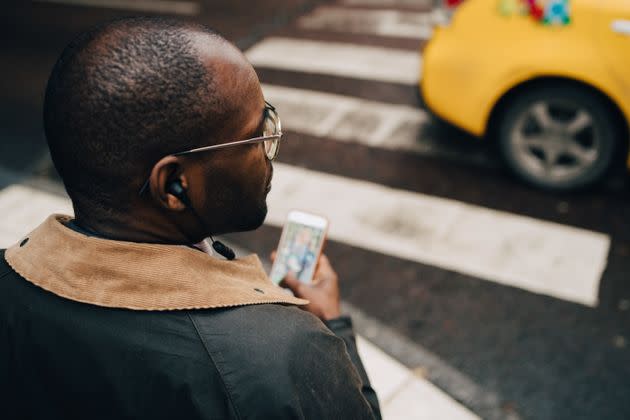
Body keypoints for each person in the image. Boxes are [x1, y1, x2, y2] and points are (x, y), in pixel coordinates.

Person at [0, 17, 381, 420]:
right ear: (174, 185)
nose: (271, 146)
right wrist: (333, 326)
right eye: (257, 135)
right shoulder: (286, 356)